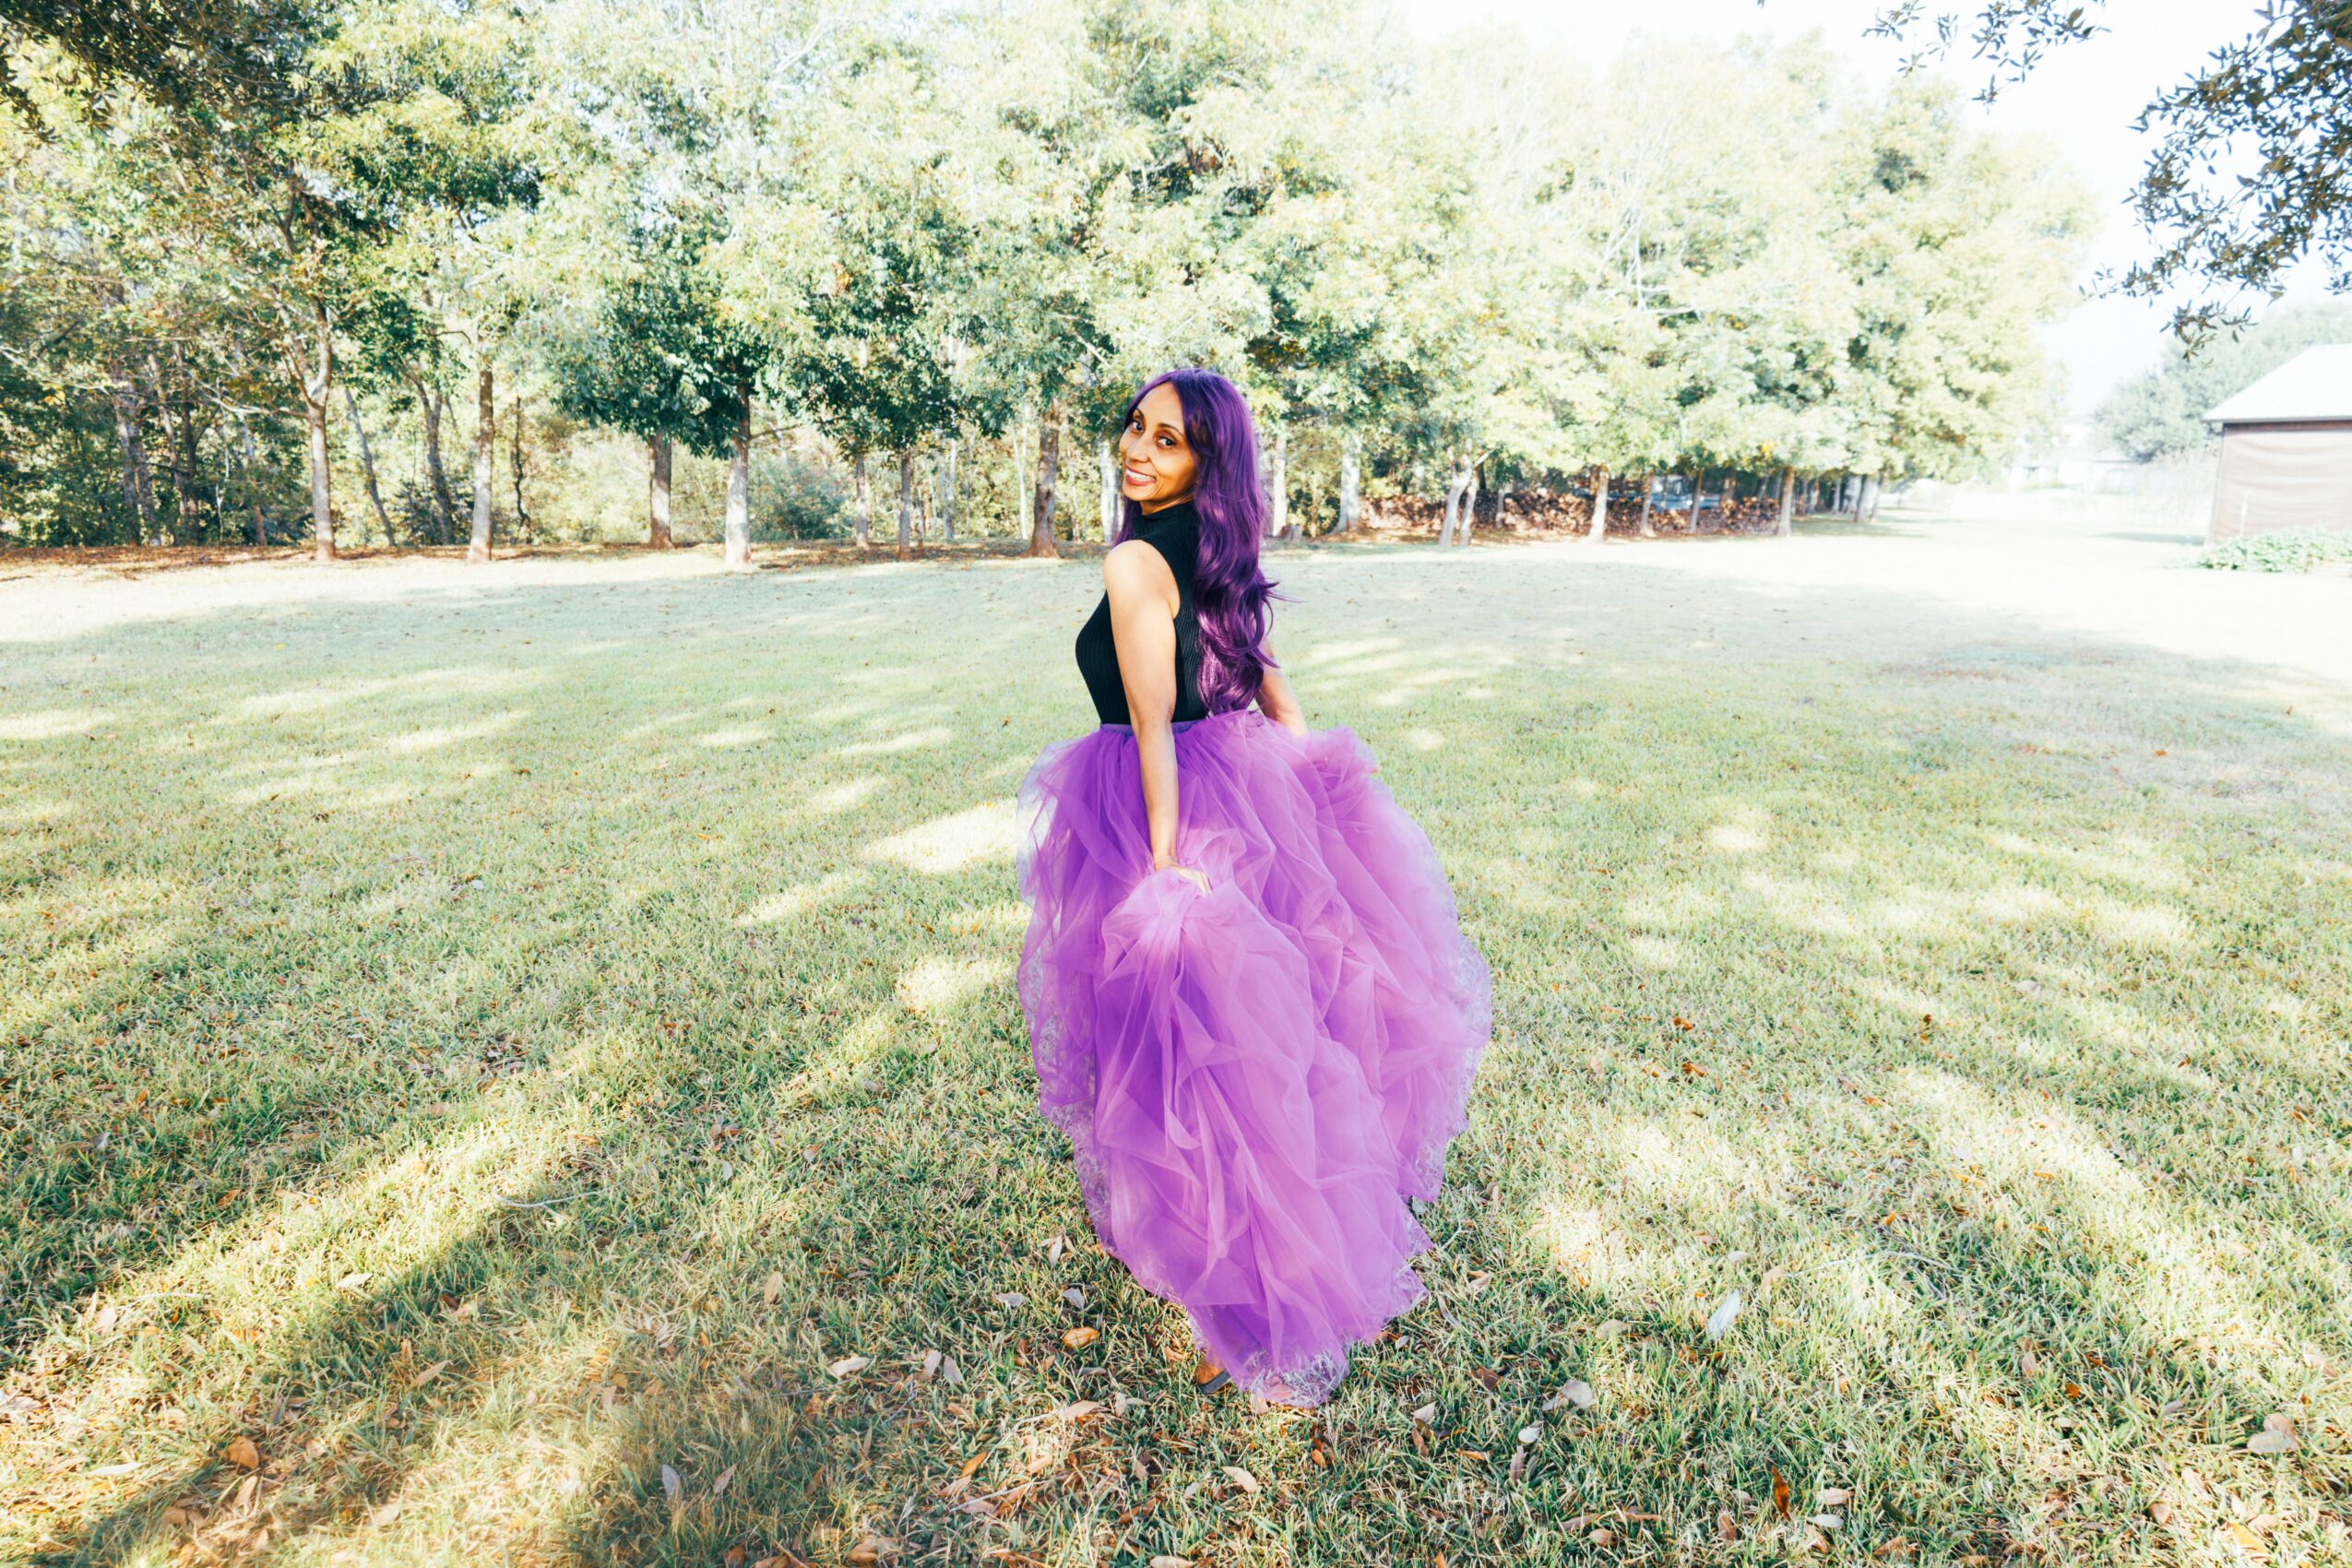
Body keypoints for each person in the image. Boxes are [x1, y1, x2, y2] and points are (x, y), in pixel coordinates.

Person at [1015, 366, 1491, 1408]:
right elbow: (1262, 669)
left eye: (1168, 440)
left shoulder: (1137, 558)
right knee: (1262, 1039)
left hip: (1165, 805)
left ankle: (1256, 1285)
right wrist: (1303, 760)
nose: (1137, 450)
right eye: (1135, 428)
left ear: (1207, 461)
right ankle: (1273, 1243)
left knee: (1202, 1063)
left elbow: (1151, 722)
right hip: (1240, 788)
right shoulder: (1212, 543)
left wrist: (1164, 864)